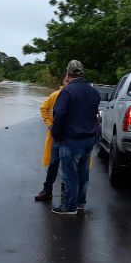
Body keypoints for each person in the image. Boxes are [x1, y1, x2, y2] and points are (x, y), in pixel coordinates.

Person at [50, 60, 100, 214]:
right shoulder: (93, 91)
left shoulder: (67, 91)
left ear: (68, 73)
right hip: (89, 139)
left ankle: (69, 206)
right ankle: (80, 203)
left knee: (69, 174)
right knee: (83, 173)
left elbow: (59, 115)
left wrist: (56, 134)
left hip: (71, 139)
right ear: (82, 72)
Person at [34, 76, 69, 201]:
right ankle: (47, 190)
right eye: (66, 81)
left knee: (67, 165)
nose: (68, 83)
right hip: (56, 136)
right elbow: (44, 109)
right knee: (53, 163)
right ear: (63, 82)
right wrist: (50, 125)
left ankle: (65, 192)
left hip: (70, 136)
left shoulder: (75, 96)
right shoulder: (55, 95)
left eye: (70, 81)